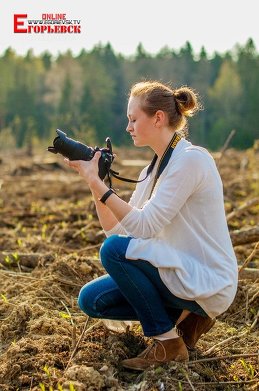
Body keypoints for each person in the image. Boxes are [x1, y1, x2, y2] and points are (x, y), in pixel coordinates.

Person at [64, 80, 238, 371]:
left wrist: (97, 182)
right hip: (178, 271)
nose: (128, 127)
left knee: (113, 252)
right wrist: (97, 183)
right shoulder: (152, 170)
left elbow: (141, 229)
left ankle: (168, 343)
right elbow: (118, 231)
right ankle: (188, 318)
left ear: (158, 118)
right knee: (92, 299)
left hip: (208, 277)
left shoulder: (190, 160)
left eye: (133, 119)